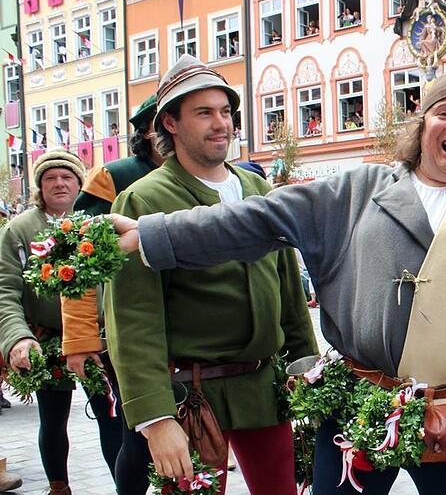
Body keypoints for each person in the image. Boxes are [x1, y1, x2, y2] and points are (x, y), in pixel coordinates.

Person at [108, 70, 446, 494]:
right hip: (357, 406)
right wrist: (156, 235)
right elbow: (255, 219)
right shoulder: (356, 189)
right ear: (421, 126)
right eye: (444, 113)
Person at [105, 55, 319, 493]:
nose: (221, 124)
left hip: (264, 387)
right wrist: (155, 417)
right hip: (191, 395)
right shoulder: (143, 200)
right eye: (204, 113)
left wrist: (307, 367)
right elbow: (132, 318)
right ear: (170, 122)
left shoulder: (258, 189)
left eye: (225, 112)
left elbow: (289, 293)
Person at [0, 149, 123, 495]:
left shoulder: (97, 223)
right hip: (48, 341)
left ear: (79, 184)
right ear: (40, 186)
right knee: (53, 420)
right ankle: (59, 487)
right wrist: (18, 338)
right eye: (50, 178)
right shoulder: (20, 230)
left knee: (111, 417)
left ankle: (123, 487)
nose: (59, 183)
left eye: (67, 177)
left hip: (97, 341)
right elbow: (5, 289)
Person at [60, 96, 162, 495]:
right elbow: (76, 260)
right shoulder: (115, 176)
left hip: (191, 330)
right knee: (135, 436)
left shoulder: (210, 174)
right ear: (150, 130)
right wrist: (81, 339)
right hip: (128, 327)